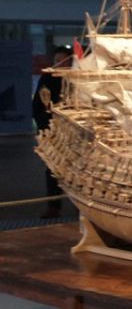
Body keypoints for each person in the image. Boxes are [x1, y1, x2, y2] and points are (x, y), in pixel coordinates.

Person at [32, 45, 71, 219]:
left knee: (79, 168)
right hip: (53, 130)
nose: (60, 64)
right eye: (57, 61)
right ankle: (54, 206)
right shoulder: (47, 78)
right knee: (52, 168)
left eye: (64, 61)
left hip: (74, 133)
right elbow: (37, 105)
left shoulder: (76, 79)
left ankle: (83, 210)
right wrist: (45, 127)